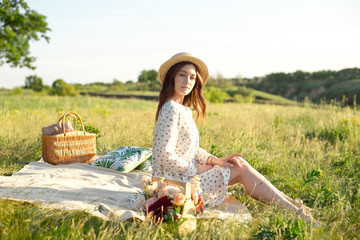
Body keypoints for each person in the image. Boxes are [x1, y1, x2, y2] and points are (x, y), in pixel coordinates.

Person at [152, 52, 318, 224]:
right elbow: (163, 153)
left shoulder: (182, 109)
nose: (187, 81)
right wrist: (194, 170)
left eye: (192, 77)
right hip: (174, 183)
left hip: (184, 176)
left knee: (238, 164)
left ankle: (294, 206)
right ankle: (295, 212)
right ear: (172, 77)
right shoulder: (171, 108)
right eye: (182, 75)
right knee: (241, 169)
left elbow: (191, 149)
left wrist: (215, 160)